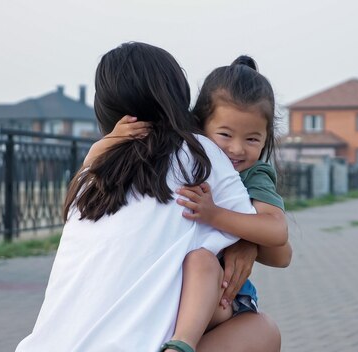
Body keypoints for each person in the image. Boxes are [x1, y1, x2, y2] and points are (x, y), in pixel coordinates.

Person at [16, 42, 282, 352]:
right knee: (261, 329)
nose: (235, 148)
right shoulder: (201, 154)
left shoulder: (92, 174)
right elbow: (279, 249)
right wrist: (246, 239)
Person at [90, 56, 291, 352]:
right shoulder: (183, 157)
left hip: (223, 297)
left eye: (252, 139)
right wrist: (105, 145)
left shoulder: (254, 174)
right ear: (199, 126)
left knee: (201, 261)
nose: (236, 149)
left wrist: (221, 220)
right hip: (171, 292)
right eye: (224, 135)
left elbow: (280, 247)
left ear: (266, 138)